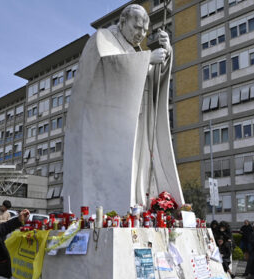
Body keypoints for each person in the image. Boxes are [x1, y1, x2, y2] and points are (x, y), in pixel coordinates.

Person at [62, 4, 183, 214]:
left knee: (139, 168)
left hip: (138, 119)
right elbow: (106, 67)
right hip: (110, 126)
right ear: (122, 22)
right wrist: (146, 61)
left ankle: (138, 206)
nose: (140, 35)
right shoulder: (102, 39)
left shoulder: (134, 50)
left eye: (145, 31)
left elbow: (150, 79)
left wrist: (166, 55)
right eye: (136, 28)